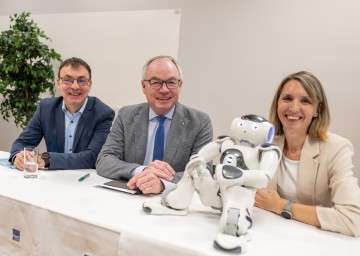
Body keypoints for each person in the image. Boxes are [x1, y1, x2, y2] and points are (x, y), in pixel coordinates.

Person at [255, 71, 360, 236]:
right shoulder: (263, 144)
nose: (294, 108)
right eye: (287, 98)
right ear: (277, 104)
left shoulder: (337, 148)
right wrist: (311, 212)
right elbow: (249, 195)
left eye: (305, 101)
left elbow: (353, 220)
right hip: (270, 234)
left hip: (314, 241)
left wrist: (279, 205)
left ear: (317, 110)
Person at [96, 55, 213, 195]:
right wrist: (142, 171)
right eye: (156, 82)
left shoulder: (199, 122)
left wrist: (163, 184)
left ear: (180, 85)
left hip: (176, 201)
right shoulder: (126, 115)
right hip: (129, 197)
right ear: (143, 86)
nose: (164, 89)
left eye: (171, 82)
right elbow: (104, 160)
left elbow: (204, 172)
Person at [9, 57, 115, 170]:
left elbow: (93, 157)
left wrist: (48, 159)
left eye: (82, 80)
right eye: (68, 80)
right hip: (53, 178)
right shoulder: (46, 108)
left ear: (89, 85)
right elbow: (23, 142)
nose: (75, 86)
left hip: (84, 179)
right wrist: (18, 156)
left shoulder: (103, 113)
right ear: (59, 83)